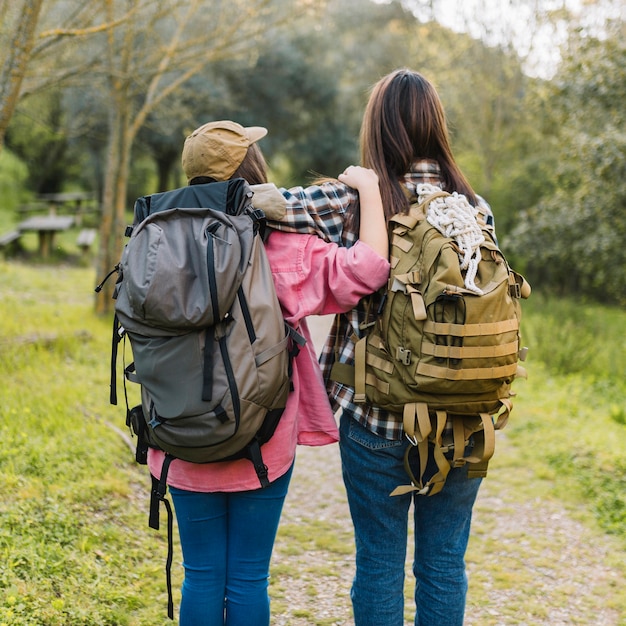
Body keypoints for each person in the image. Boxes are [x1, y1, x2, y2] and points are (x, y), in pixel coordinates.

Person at [269, 69, 493, 626]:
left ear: (377, 126)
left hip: (375, 417)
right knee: (444, 564)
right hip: (461, 419)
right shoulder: (474, 208)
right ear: (436, 126)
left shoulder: (345, 200)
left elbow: (265, 204)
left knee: (378, 562)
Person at [146, 120, 390, 626]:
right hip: (262, 438)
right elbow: (368, 269)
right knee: (248, 578)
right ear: (252, 172)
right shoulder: (279, 246)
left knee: (202, 574)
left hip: (178, 433)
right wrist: (368, 188)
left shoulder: (153, 246)